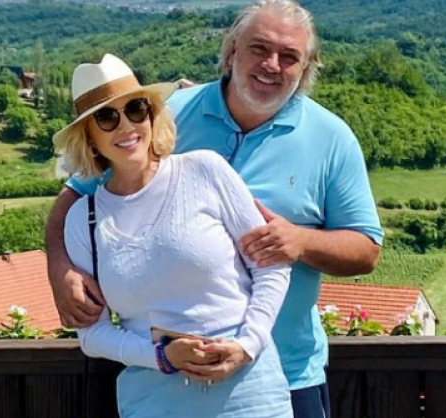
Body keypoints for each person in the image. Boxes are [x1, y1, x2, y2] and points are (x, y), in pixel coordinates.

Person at [46, 1, 384, 417]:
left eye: (289, 56)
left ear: (306, 68)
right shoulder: (162, 115)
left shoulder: (332, 138)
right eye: (259, 48)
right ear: (232, 50)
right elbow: (76, 197)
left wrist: (300, 243)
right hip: (162, 387)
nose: (271, 65)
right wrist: (60, 267)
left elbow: (367, 250)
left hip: (285, 373)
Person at [54, 53, 294, 417]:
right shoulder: (82, 221)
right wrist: (162, 357)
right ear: (88, 137)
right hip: (154, 403)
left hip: (252, 396)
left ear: (152, 115)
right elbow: (92, 336)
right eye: (106, 117)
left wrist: (247, 345)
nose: (126, 126)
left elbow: (271, 266)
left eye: (135, 109)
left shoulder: (206, 171)